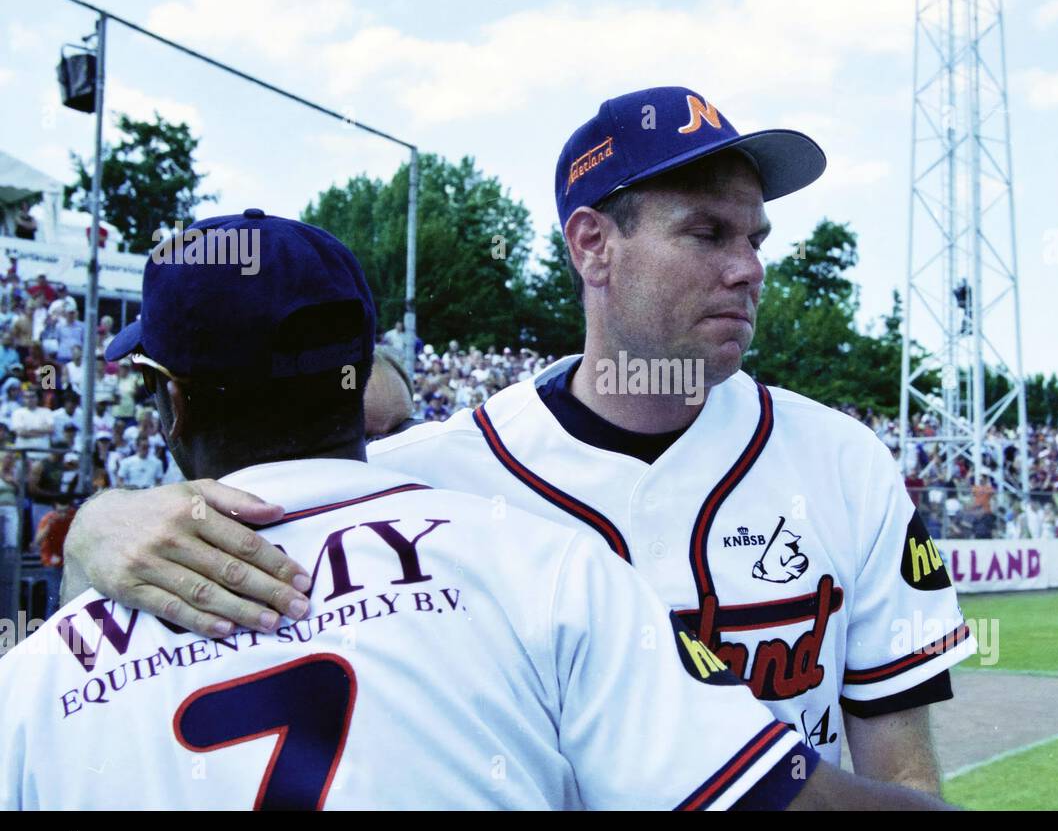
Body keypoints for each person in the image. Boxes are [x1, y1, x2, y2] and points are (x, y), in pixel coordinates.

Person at [62, 88, 976, 794]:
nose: (747, 267)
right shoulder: (428, 479)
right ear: (592, 245)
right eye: (705, 232)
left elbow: (900, 770)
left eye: (755, 237)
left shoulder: (845, 463)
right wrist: (100, 525)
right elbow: (189, 558)